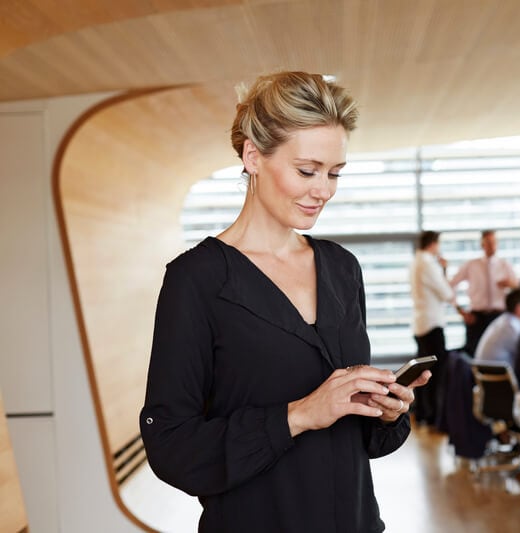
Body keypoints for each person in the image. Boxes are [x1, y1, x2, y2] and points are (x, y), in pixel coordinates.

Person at [139, 71, 429, 532]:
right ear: (253, 156)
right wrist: (300, 415)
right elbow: (171, 446)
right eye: (307, 171)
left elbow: (361, 441)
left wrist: (384, 411)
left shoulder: (341, 269)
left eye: (334, 173)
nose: (324, 190)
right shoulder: (196, 280)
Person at [409, 230, 461, 426]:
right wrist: (444, 270)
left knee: (423, 372)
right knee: (435, 374)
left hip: (421, 323)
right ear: (433, 244)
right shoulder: (429, 264)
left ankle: (423, 412)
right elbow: (447, 293)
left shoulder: (416, 262)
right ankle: (434, 416)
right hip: (432, 324)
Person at [450, 230, 519, 355]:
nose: (492, 246)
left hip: (498, 316)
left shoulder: (505, 265)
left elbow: (519, 289)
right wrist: (461, 311)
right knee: (473, 352)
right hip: (476, 318)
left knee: (498, 352)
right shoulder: (471, 265)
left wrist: (511, 284)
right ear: (482, 245)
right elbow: (451, 286)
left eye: (494, 242)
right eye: (488, 242)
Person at [474, 286, 520, 366]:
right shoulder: (511, 327)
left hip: (485, 374)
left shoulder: (505, 321)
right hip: (496, 376)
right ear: (519, 308)